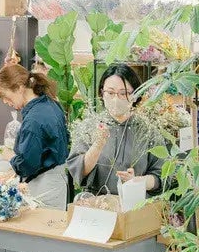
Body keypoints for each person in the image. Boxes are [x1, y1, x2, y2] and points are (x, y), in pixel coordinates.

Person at [67, 64, 165, 197]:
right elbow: (77, 170)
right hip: (98, 203)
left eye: (123, 93)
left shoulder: (147, 131)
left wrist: (139, 181)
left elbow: (162, 175)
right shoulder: (89, 127)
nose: (116, 99)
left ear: (135, 95)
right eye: (110, 92)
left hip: (136, 204)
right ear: (102, 93)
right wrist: (97, 145)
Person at [0, 64, 70, 210]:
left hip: (44, 186)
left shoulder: (34, 119)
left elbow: (27, 164)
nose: (5, 101)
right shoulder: (50, 103)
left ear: (19, 88)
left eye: (5, 96)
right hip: (56, 181)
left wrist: (11, 157)